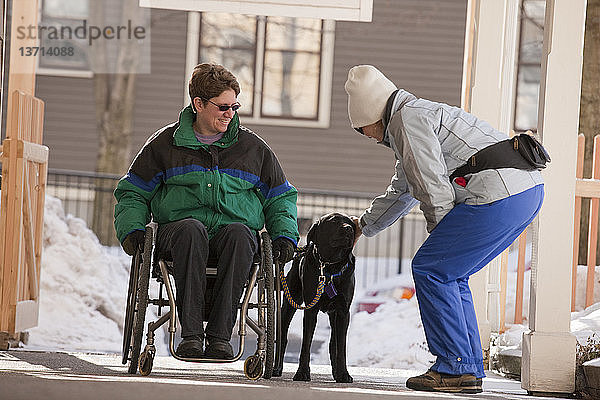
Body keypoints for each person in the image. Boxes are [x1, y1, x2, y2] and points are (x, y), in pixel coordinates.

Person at [345, 65, 544, 394]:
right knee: (450, 274)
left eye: (360, 128)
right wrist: (363, 226)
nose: (364, 135)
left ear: (370, 113)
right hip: (523, 191)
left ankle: (453, 367)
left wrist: (440, 233)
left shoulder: (407, 120)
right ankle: (465, 367)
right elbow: (405, 188)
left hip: (500, 192)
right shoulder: (414, 117)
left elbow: (431, 188)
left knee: (432, 269)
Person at [114, 63, 299, 360]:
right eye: (223, 107)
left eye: (234, 106)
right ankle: (190, 335)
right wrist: (132, 230)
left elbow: (280, 197)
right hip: (179, 236)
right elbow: (133, 192)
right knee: (191, 229)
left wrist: (285, 236)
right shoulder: (165, 144)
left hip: (234, 237)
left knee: (240, 233)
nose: (231, 113)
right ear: (198, 104)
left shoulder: (252, 149)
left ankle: (219, 338)